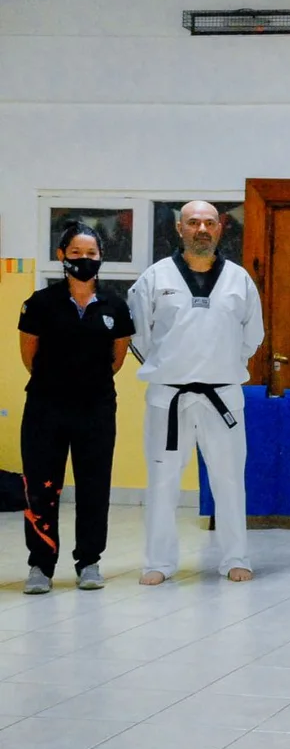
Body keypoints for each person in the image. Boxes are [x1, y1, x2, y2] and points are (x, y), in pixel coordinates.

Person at [129, 201, 263, 585]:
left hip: (222, 395)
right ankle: (158, 562)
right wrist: (173, 365)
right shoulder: (155, 278)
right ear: (180, 229)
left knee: (229, 479)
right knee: (162, 479)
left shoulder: (239, 280)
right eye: (193, 222)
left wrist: (220, 366)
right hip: (168, 396)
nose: (201, 228)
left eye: (208, 222)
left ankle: (236, 557)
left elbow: (252, 336)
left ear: (220, 228)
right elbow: (140, 334)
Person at [17, 223, 134, 594]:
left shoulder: (115, 305)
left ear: (101, 258)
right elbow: (29, 356)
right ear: (61, 256)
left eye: (92, 254)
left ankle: (89, 561)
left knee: (94, 487)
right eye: (76, 254)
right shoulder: (40, 303)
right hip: (45, 409)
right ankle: (40, 564)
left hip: (96, 410)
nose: (84, 261)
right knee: (41, 488)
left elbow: (117, 359)